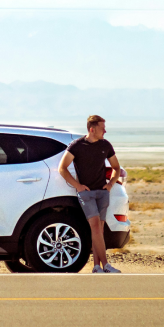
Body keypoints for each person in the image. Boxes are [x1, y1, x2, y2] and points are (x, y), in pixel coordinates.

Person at [58, 114, 125, 273]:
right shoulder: (76, 146)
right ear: (92, 129)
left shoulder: (105, 145)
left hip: (102, 193)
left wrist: (110, 185)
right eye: (102, 128)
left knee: (99, 231)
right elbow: (62, 168)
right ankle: (106, 265)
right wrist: (78, 186)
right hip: (86, 194)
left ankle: (96, 266)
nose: (105, 131)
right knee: (95, 227)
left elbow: (116, 167)